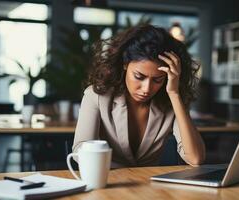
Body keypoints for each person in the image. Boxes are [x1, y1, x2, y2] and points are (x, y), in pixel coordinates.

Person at [72, 24, 205, 168]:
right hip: (108, 183)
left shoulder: (171, 101)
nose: (146, 89)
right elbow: (81, 151)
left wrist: (174, 94)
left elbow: (195, 158)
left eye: (157, 79)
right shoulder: (97, 96)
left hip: (151, 187)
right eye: (139, 76)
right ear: (125, 64)